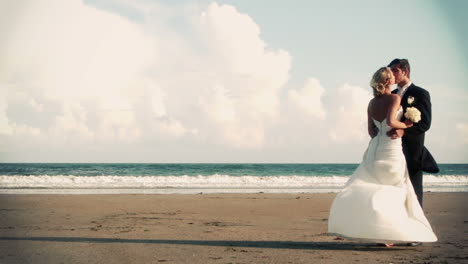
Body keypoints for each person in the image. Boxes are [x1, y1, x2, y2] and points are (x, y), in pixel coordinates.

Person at [328, 67, 437, 246]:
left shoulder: (371, 103)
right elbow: (391, 122)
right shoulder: (395, 98)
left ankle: (380, 234)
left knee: (376, 188)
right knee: (396, 189)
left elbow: (371, 131)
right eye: (392, 76)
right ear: (387, 81)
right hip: (391, 148)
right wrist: (407, 125)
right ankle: (392, 233)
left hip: (375, 148)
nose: (395, 78)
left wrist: (381, 134)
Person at [387, 58, 439, 208]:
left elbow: (425, 123)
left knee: (414, 193)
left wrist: (404, 131)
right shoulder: (391, 94)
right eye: (390, 71)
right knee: (394, 190)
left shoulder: (421, 93)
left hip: (413, 151)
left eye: (395, 71)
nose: (392, 74)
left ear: (405, 71)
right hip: (393, 150)